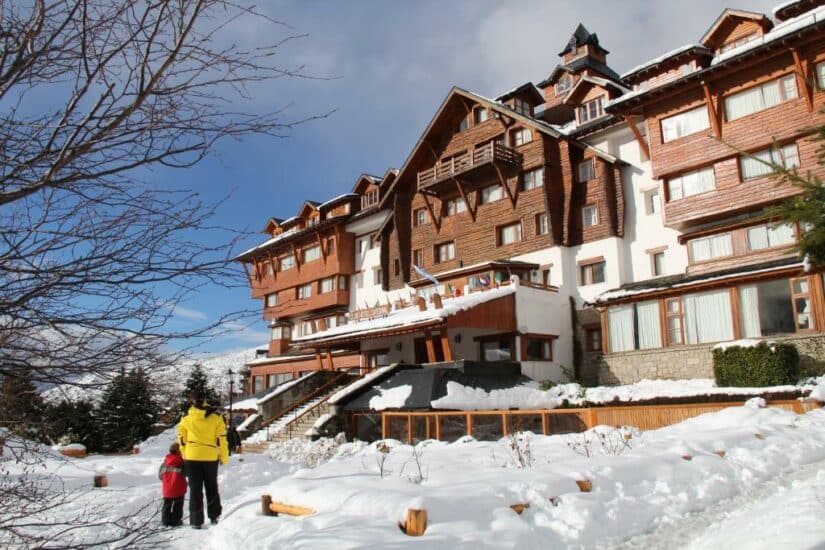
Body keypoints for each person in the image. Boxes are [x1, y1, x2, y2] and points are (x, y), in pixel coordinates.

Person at [178, 392, 229, 529]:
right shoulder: (216, 418)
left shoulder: (186, 418)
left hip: (192, 456)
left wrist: (185, 454)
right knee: (212, 487)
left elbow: (181, 439)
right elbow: (222, 439)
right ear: (206, 402)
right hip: (210, 456)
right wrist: (224, 457)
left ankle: (196, 521)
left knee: (195, 489)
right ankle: (214, 515)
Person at [158, 442, 187, 527]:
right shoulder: (182, 463)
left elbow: (160, 476)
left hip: (167, 489)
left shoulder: (164, 463)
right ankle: (176, 521)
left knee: (166, 506)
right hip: (179, 489)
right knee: (178, 506)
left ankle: (165, 521)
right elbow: (186, 473)